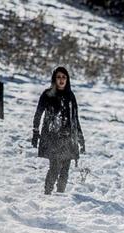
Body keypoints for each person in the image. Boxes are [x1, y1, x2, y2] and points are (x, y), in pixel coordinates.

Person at [32, 67, 85, 195]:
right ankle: (47, 193)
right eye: (59, 77)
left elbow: (75, 119)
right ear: (54, 79)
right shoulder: (47, 94)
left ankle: (60, 196)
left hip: (68, 138)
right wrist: (35, 131)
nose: (61, 80)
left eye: (64, 77)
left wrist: (80, 138)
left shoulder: (70, 96)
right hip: (52, 137)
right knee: (55, 167)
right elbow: (38, 114)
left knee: (65, 169)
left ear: (67, 79)